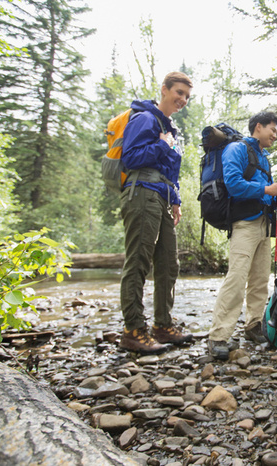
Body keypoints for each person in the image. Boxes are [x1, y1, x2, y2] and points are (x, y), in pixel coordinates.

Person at [118, 71, 194, 355]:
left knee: (168, 263)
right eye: (178, 93)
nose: (182, 99)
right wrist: (162, 144)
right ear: (164, 90)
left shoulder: (169, 127)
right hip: (141, 194)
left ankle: (162, 325)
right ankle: (133, 330)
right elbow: (131, 157)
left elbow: (168, 170)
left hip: (161, 197)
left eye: (186, 96)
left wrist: (175, 199)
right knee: (138, 260)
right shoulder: (145, 119)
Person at [208, 111, 277, 360]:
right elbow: (233, 183)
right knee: (236, 277)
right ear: (258, 127)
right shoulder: (237, 149)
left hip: (263, 224)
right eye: (272, 130)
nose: (275, 135)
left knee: (259, 278)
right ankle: (219, 336)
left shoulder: (263, 158)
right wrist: (267, 188)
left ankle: (254, 324)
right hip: (244, 223)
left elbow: (264, 191)